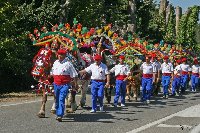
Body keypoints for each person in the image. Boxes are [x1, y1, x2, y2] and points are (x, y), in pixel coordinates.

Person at [51, 49, 78, 122]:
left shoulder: (68, 64)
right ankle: (57, 111)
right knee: (56, 99)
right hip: (56, 84)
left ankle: (60, 115)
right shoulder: (55, 62)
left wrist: (75, 84)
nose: (60, 56)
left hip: (65, 84)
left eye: (62, 54)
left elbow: (74, 74)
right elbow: (52, 73)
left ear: (65, 55)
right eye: (59, 54)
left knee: (61, 98)